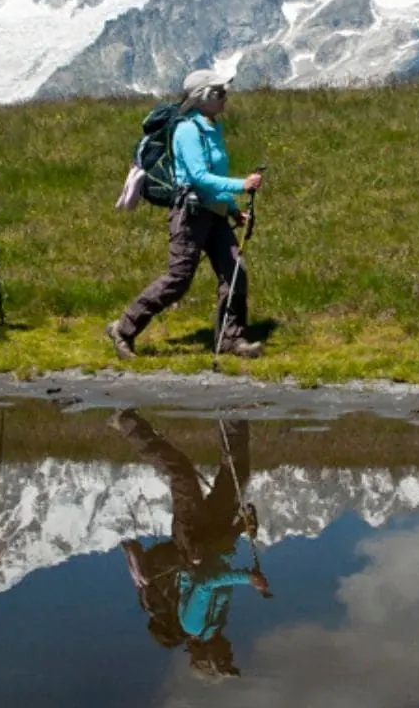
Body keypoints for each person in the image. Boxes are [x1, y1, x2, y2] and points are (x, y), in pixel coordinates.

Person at [107, 70, 265, 360]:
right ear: (202, 98)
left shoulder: (212, 127)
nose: (225, 98)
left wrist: (232, 210)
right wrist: (241, 185)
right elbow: (199, 177)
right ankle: (123, 329)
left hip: (214, 213)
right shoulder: (188, 131)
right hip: (189, 214)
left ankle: (231, 338)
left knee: (235, 273)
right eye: (219, 93)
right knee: (178, 279)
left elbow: (214, 175)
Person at [111, 409, 269, 681]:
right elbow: (217, 564)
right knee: (237, 474)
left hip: (193, 539)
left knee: (182, 475)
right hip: (212, 539)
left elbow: (206, 581)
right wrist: (239, 529)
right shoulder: (215, 624)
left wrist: (248, 578)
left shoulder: (193, 624)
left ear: (208, 656)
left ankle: (125, 423)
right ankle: (233, 414)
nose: (231, 653)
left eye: (225, 659)